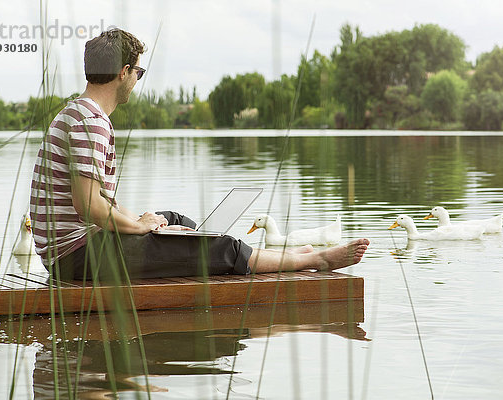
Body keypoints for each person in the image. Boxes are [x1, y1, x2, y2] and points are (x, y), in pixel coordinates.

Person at [30, 28, 369, 282]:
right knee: (218, 249)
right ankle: (312, 261)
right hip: (76, 257)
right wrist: (136, 228)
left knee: (176, 222)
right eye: (138, 72)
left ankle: (272, 255)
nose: (137, 80)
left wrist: (143, 223)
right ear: (123, 73)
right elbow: (88, 205)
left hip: (82, 246)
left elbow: (103, 201)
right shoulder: (90, 122)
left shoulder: (80, 113)